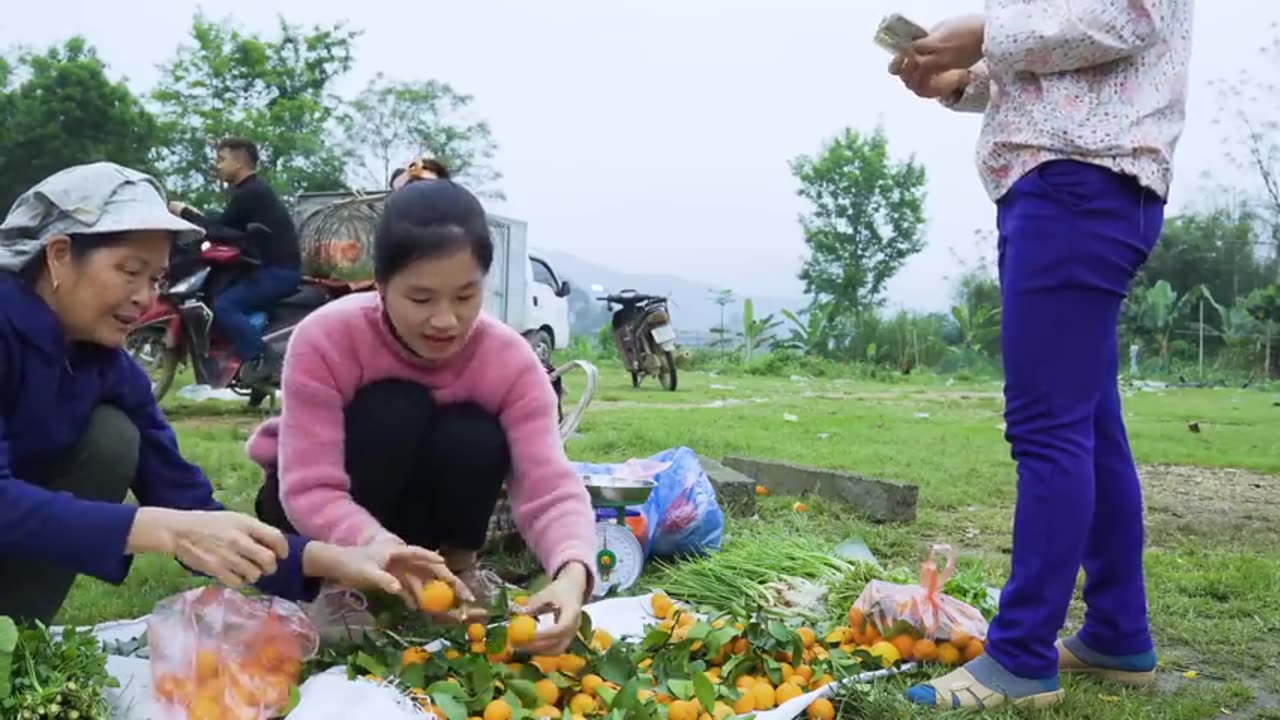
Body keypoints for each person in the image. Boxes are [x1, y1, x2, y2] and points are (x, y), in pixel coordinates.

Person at [0, 162, 467, 624]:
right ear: (59, 254)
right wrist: (166, 530)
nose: (145, 297)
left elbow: (190, 507)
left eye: (156, 280)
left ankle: (13, 638)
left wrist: (341, 560)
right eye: (130, 271)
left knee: (113, 437)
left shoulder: (107, 366)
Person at [889, 2, 1192, 711]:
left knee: (1048, 426)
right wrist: (963, 79)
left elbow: (1124, 17)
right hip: (1077, 180)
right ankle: (1118, 634)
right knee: (1089, 424)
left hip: (1078, 182)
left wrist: (987, 30)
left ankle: (1022, 657)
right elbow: (1066, 59)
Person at [249, 178, 597, 654]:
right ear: (381, 283)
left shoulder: (509, 360)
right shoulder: (327, 339)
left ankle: (453, 571)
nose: (445, 321)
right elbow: (309, 487)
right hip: (316, 513)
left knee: (473, 431)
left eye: (464, 296)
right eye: (420, 298)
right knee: (395, 406)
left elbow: (548, 483)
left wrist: (571, 573)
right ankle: (341, 584)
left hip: (417, 511)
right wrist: (374, 546)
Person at [168, 137, 303, 384]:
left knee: (225, 306)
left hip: (279, 271)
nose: (217, 166)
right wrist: (194, 215)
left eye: (222, 159)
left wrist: (186, 213)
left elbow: (220, 231)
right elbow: (224, 224)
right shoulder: (248, 191)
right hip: (265, 268)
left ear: (239, 162)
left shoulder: (252, 193)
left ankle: (261, 360)